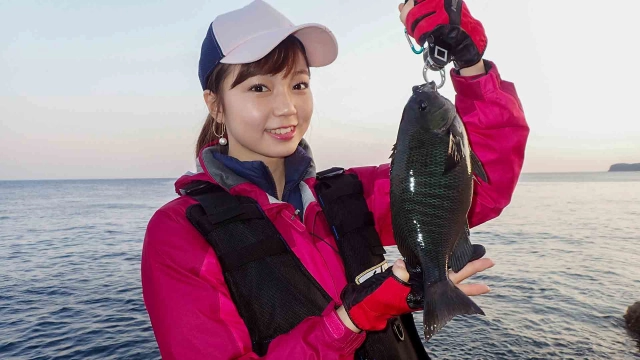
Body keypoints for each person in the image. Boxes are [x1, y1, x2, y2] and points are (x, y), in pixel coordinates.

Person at [141, 0, 530, 359]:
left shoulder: (346, 194)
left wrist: (470, 64)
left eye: (299, 84)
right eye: (259, 87)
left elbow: (480, 186)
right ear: (216, 104)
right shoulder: (179, 231)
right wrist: (351, 319)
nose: (286, 107)